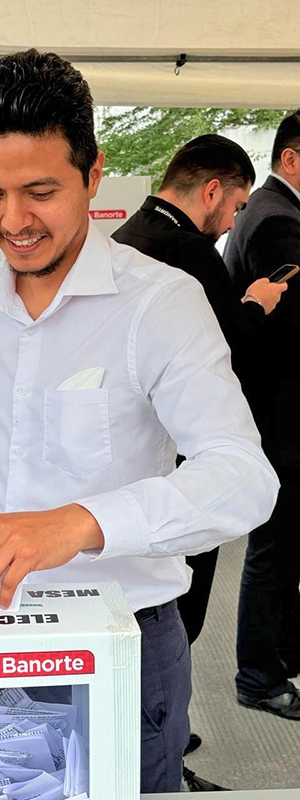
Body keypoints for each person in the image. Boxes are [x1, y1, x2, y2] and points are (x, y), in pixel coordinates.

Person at [0, 49, 279, 793]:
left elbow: (243, 478)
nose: (14, 221)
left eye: (40, 192)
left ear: (94, 174)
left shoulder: (160, 304)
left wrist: (79, 523)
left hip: (126, 639)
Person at [112, 134, 287, 782]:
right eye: (236, 206)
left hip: (137, 460)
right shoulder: (187, 253)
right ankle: (164, 750)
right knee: (173, 618)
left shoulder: (127, 237)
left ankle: (162, 735)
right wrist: (256, 305)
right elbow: (224, 351)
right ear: (212, 190)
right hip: (183, 462)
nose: (235, 221)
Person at [224, 109, 300, 721]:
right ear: (291, 158)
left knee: (285, 542)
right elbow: (291, 324)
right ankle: (259, 676)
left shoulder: (273, 211)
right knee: (274, 545)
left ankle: (282, 653)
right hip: (281, 412)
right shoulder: (277, 220)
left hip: (278, 408)